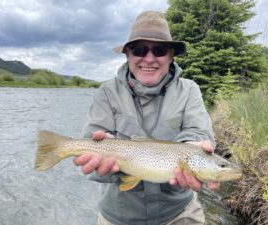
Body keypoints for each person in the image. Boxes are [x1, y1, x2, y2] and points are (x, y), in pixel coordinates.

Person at [74, 10, 219, 225]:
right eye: (139, 50)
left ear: (171, 56)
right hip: (119, 217)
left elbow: (199, 132)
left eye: (159, 50)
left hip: (179, 213)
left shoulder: (189, 90)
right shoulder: (106, 93)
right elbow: (89, 151)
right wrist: (102, 160)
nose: (149, 58)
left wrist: (191, 147)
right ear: (128, 55)